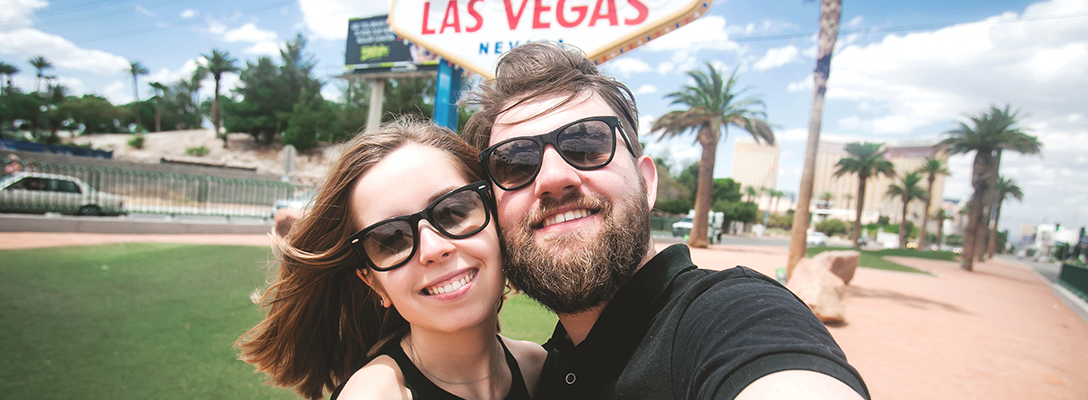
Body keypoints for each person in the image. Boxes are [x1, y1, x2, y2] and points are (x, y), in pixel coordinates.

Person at [460, 41, 870, 399]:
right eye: (515, 162)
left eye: (586, 144)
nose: (552, 177)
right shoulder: (546, 371)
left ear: (647, 182)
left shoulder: (729, 316)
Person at [237, 117, 546, 400]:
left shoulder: (541, 369)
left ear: (495, 217)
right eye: (392, 238)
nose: (433, 248)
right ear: (374, 283)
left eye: (453, 211)